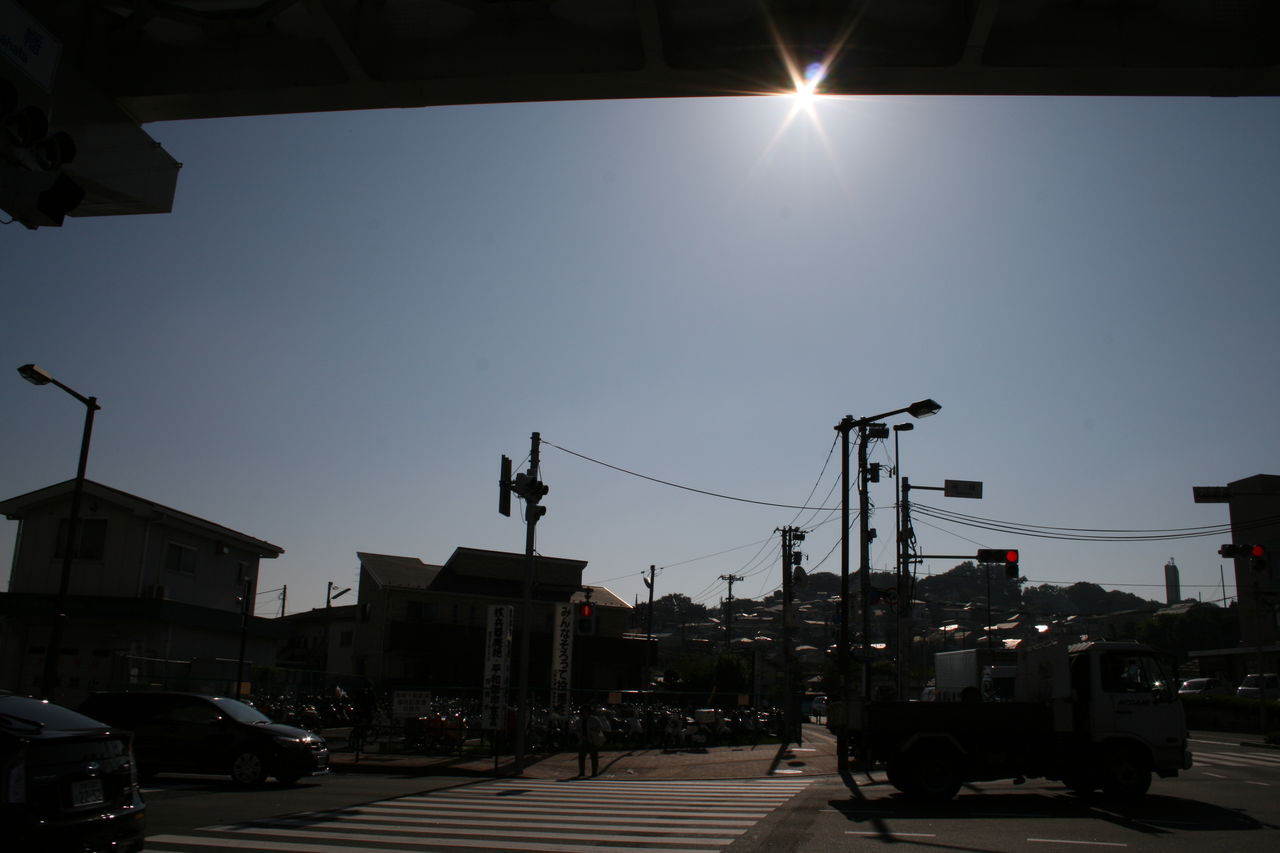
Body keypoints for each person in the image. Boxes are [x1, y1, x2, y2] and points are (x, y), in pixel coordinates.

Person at [576, 705, 608, 777]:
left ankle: (594, 772)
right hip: (583, 740)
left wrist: (594, 730)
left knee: (594, 757)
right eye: (583, 712)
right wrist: (580, 735)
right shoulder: (579, 721)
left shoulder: (593, 720)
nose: (585, 713)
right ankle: (582, 772)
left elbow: (600, 728)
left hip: (592, 740)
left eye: (586, 712)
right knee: (581, 757)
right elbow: (577, 729)